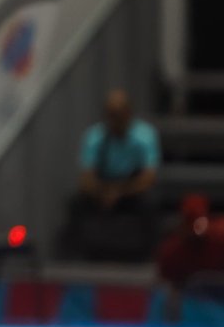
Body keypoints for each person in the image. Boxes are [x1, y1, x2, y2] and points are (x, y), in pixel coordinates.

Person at [64, 89, 161, 260]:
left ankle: (150, 256)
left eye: (119, 114)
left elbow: (149, 177)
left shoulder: (145, 135)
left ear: (128, 113)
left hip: (131, 189)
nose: (115, 119)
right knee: (75, 203)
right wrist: (102, 192)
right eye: (111, 114)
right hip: (103, 187)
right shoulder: (95, 136)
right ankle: (76, 254)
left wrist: (120, 191)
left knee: (151, 204)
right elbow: (86, 178)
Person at [156, 194, 224, 320]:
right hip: (185, 303)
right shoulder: (172, 248)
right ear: (183, 222)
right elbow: (165, 279)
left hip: (223, 302)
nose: (196, 227)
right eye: (191, 220)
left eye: (199, 221)